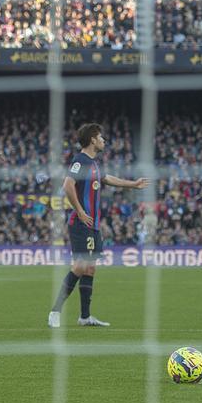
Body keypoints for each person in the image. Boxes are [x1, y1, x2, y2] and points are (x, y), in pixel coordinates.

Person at [48, 123, 149, 328]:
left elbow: (107, 179)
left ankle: (85, 317)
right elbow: (67, 185)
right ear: (93, 140)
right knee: (81, 265)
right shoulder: (80, 160)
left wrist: (133, 184)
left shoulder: (94, 163)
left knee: (90, 268)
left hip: (92, 224)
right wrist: (80, 211)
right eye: (101, 137)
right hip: (81, 222)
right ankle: (55, 311)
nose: (104, 140)